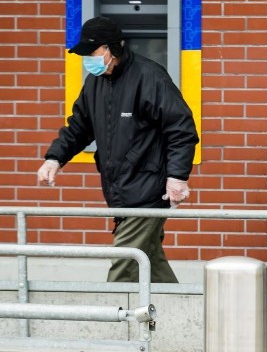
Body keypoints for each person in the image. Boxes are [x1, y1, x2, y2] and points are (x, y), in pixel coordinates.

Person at [36, 16, 199, 284]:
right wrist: (55, 158)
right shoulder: (95, 83)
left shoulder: (149, 77)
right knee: (150, 261)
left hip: (147, 189)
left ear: (113, 48)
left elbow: (181, 128)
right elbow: (79, 127)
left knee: (124, 263)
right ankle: (177, 314)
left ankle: (111, 320)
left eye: (92, 52)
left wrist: (177, 177)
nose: (88, 58)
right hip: (120, 189)